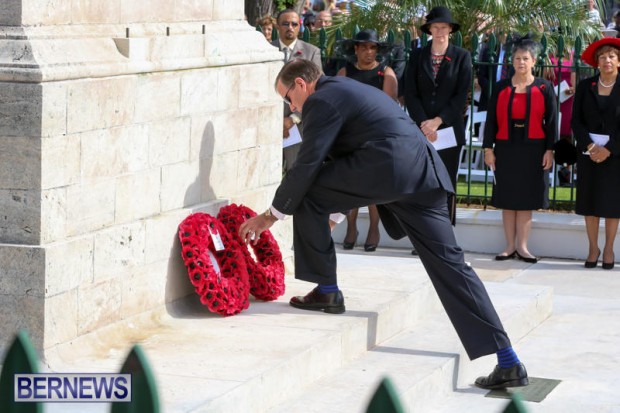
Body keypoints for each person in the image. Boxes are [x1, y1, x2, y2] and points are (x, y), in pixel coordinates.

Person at [239, 58, 529, 390]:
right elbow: (346, 162)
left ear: (302, 84)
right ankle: (508, 360)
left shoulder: (321, 100)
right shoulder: (346, 89)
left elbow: (308, 165)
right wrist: (332, 216)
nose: (291, 106)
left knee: (303, 190)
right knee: (452, 267)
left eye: (288, 97)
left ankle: (328, 291)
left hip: (392, 173)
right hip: (423, 176)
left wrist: (270, 215)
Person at [482, 36, 558, 263]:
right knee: (507, 197)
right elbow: (491, 120)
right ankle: (509, 246)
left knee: (526, 198)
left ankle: (523, 247)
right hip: (506, 147)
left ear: (534, 61)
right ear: (512, 61)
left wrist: (550, 150)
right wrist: (488, 149)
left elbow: (552, 122)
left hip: (534, 148)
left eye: (525, 58)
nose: (521, 62)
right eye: (517, 58)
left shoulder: (544, 87)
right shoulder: (500, 87)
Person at [403, 7, 472, 223]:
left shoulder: (462, 57)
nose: (440, 31)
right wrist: (424, 124)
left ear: (450, 29)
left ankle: (445, 227)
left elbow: (461, 95)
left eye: (444, 27)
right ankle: (424, 228)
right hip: (421, 129)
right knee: (422, 179)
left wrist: (438, 121)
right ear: (429, 30)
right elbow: (410, 93)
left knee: (446, 180)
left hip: (449, 130)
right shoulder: (417, 55)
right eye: (436, 27)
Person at [336, 29, 398, 252]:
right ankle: (351, 227)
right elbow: (337, 103)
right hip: (350, 133)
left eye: (372, 47)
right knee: (351, 182)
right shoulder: (345, 72)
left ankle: (374, 228)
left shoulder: (386, 73)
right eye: (364, 47)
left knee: (373, 183)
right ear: (356, 49)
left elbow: (389, 107)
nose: (369, 52)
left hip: (375, 135)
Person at [571, 37, 620, 269]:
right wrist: (590, 146)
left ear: (618, 61)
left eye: (611, 56)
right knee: (589, 202)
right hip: (588, 154)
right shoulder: (585, 86)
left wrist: (609, 149)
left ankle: (609, 248)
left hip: (615, 155)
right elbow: (576, 120)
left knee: (612, 203)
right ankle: (593, 248)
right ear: (597, 62)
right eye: (602, 57)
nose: (606, 60)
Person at [272, 9, 323, 172]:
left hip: (297, 127)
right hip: (269, 123)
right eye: (285, 24)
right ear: (277, 26)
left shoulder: (311, 52)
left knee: (295, 172)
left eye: (294, 24)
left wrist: (293, 118)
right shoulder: (266, 50)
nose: (290, 27)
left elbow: (316, 90)